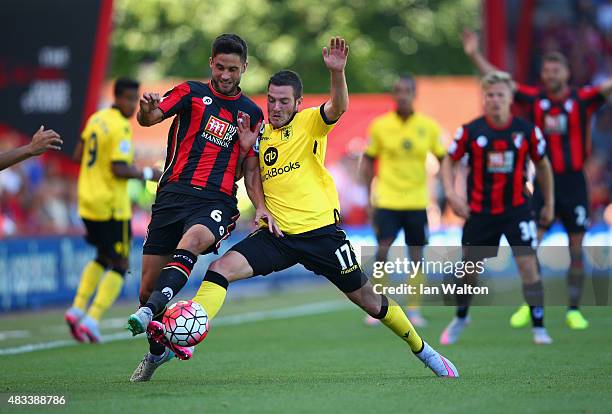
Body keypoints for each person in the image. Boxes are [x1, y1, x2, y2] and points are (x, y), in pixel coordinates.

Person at [147, 37, 459, 380]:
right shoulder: (258, 133)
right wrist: (258, 197)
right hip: (278, 236)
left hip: (321, 234)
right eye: (271, 100)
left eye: (284, 102)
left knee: (370, 301)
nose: (276, 107)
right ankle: (192, 329)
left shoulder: (311, 123)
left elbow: (337, 107)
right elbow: (249, 178)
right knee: (221, 268)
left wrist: (337, 73)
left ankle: (424, 350)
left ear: (297, 103)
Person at [126, 34, 278, 382]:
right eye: (221, 67)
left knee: (194, 240)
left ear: (245, 68)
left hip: (216, 200)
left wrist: (261, 207)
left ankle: (151, 310)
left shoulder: (253, 114)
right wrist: (147, 108)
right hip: (172, 196)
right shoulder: (190, 93)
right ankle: (156, 350)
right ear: (211, 63)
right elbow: (150, 118)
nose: (226, 75)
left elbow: (252, 169)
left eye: (233, 69)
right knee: (147, 287)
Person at [462, 29, 612, 330]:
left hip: (573, 183)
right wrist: (473, 54)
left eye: (556, 70)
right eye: (546, 70)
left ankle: (573, 309)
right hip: (543, 184)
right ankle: (529, 306)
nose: (550, 74)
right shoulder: (536, 99)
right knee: (529, 247)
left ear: (567, 74)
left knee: (575, 245)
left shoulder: (582, 99)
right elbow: (499, 82)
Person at [439, 71, 555, 345]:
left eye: (500, 95)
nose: (494, 100)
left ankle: (539, 326)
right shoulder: (470, 131)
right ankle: (461, 316)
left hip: (517, 210)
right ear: (484, 98)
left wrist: (548, 202)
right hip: (480, 212)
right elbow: (448, 160)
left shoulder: (527, 131)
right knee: (468, 270)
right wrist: (452, 194)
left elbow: (543, 165)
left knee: (528, 266)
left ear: (510, 98)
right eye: (489, 95)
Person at [64, 78, 160, 343]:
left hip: (87, 201)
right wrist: (149, 172)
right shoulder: (119, 126)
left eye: (135, 99)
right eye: (129, 99)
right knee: (121, 264)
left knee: (103, 257)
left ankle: (76, 309)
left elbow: (77, 155)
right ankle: (92, 319)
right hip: (110, 206)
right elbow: (119, 169)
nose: (132, 105)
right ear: (117, 97)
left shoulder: (97, 118)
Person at [361, 75, 446, 327]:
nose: (402, 95)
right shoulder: (380, 125)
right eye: (397, 91)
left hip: (417, 201)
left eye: (406, 91)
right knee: (383, 251)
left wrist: (446, 189)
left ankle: (415, 309)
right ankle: (377, 307)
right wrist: (369, 195)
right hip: (387, 199)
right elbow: (368, 160)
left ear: (414, 94)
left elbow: (443, 158)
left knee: (417, 255)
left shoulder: (429, 126)